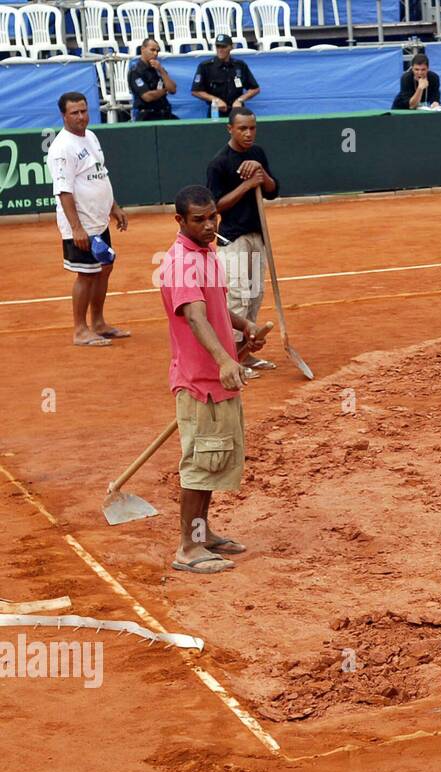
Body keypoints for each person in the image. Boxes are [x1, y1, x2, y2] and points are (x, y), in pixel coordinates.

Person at [160, 185, 267, 575]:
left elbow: (217, 307)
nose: (209, 225)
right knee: (200, 464)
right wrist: (224, 359)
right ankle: (188, 547)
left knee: (212, 458)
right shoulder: (180, 263)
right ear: (180, 221)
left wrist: (245, 326)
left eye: (212, 218)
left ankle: (202, 533)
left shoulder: (207, 253)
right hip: (201, 380)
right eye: (199, 220)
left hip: (218, 379)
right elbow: (194, 316)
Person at [48, 92, 129, 347]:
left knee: (104, 268)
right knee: (86, 275)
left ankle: (99, 323)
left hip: (99, 221)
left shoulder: (91, 137)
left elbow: (99, 173)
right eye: (75, 113)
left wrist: (114, 207)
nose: (81, 117)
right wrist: (76, 228)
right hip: (81, 225)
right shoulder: (62, 148)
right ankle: (80, 330)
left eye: (84, 111)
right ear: (64, 115)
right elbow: (64, 191)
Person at [206, 108, 279, 371]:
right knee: (237, 297)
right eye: (242, 129)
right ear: (230, 129)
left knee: (255, 294)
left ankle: (245, 353)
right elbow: (215, 207)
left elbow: (272, 190)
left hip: (257, 234)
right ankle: (230, 355)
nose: (248, 133)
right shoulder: (219, 163)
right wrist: (246, 185)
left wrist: (261, 174)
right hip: (232, 237)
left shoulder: (257, 154)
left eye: (252, 128)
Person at [192, 34, 259, 116]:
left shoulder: (240, 65)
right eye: (218, 46)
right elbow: (196, 91)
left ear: (231, 47)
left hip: (236, 111)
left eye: (223, 47)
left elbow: (255, 89)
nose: (220, 50)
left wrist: (240, 100)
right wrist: (215, 100)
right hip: (216, 111)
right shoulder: (206, 66)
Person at [129, 38, 177, 121]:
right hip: (147, 115)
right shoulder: (136, 71)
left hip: (164, 112)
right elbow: (147, 96)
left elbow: (172, 89)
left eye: (157, 51)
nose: (155, 53)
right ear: (143, 49)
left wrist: (161, 71)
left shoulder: (158, 68)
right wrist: (165, 90)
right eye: (152, 50)